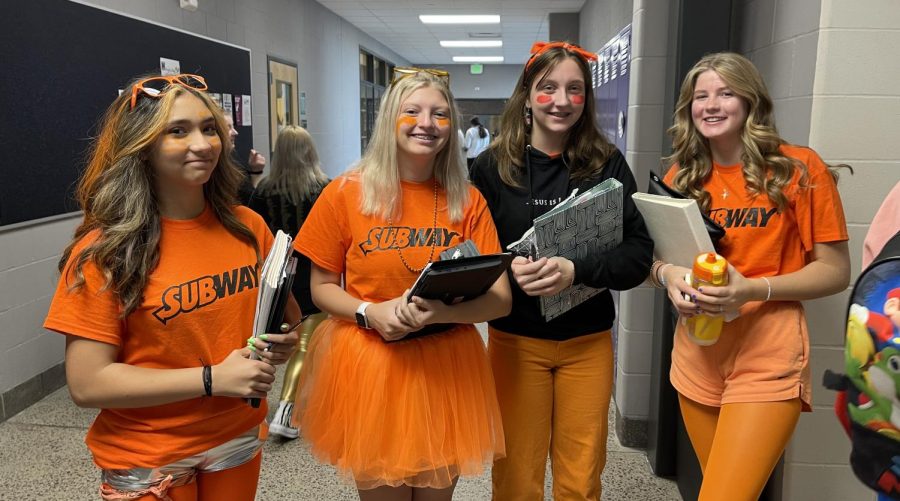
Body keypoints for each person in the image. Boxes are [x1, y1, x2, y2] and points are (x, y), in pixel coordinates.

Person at [43, 74, 300, 501]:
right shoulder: (108, 250)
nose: (202, 144)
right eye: (177, 131)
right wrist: (212, 378)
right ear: (141, 147)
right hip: (148, 453)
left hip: (234, 436)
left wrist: (281, 344)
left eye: (209, 127)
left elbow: (283, 319)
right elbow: (88, 384)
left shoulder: (247, 227)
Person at [292, 67, 512, 501]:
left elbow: (501, 300)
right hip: (371, 365)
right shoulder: (345, 193)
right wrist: (368, 311)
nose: (426, 124)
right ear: (390, 118)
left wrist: (444, 312)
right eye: (412, 111)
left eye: (440, 114)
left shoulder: (467, 201)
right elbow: (319, 287)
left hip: (446, 368)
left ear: (451, 127)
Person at [651, 52, 850, 501]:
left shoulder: (798, 169)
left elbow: (836, 272)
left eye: (726, 92)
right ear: (689, 108)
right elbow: (653, 262)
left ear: (750, 101)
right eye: (701, 96)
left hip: (768, 355)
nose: (712, 104)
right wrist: (670, 276)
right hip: (697, 355)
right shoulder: (681, 176)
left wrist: (752, 288)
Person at [469, 41, 654, 500]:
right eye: (548, 87)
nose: (562, 100)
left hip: (587, 344)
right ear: (527, 96)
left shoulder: (606, 164)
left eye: (575, 89)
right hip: (515, 342)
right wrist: (510, 269)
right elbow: (471, 256)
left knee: (581, 478)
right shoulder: (492, 167)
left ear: (586, 100)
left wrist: (577, 269)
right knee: (516, 477)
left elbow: (638, 255)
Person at [247, 125, 330, 439]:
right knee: (307, 346)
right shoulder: (324, 189)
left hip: (276, 277)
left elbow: (254, 235)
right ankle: (286, 408)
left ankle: (260, 407)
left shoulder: (264, 190)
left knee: (275, 343)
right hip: (315, 277)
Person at [224, 113, 267, 204]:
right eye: (228, 128)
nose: (235, 132)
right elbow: (251, 201)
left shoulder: (232, 166)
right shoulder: (214, 173)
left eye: (233, 126)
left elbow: (248, 197)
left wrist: (255, 171)